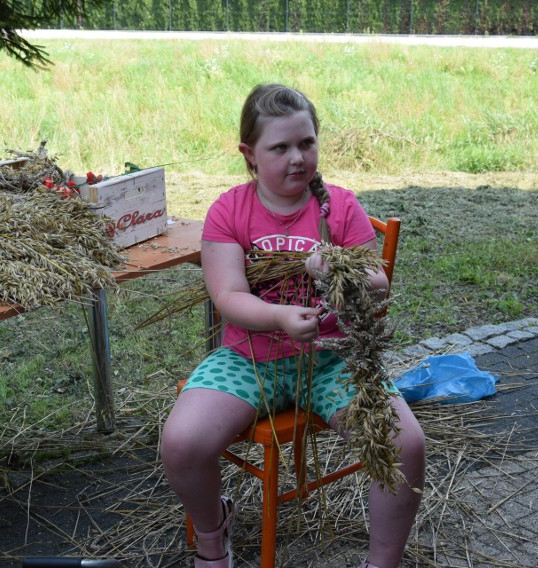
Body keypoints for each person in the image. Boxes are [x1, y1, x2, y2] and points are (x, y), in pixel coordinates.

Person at [160, 83, 426, 568]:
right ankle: (213, 537)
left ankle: (383, 561)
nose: (297, 158)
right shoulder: (229, 212)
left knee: (405, 444)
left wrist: (343, 271)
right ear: (250, 155)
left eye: (306, 142)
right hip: (249, 359)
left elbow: (378, 282)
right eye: (279, 147)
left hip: (330, 360)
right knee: (181, 443)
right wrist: (280, 316)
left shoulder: (340, 207)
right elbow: (228, 297)